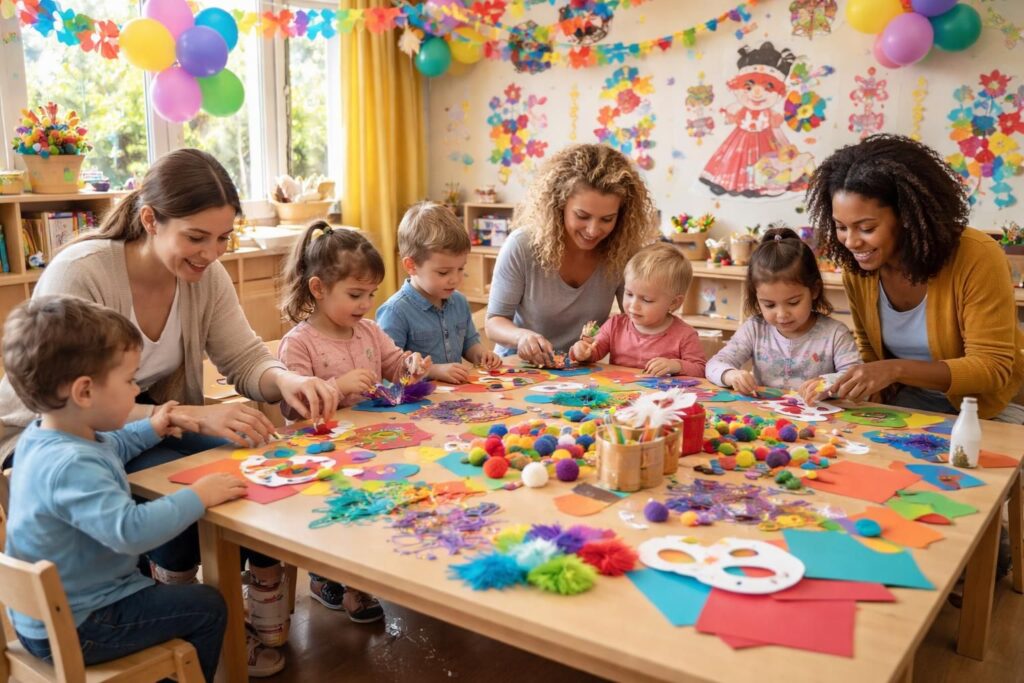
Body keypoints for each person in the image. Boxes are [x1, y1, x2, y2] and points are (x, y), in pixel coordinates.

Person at [0, 148, 339, 675]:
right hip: (51, 432)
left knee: (247, 455)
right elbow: (61, 400)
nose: (212, 254)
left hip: (130, 424)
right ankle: (172, 605)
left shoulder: (207, 276)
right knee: (183, 481)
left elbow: (244, 357)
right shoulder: (83, 273)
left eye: (223, 238)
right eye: (197, 237)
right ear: (150, 220)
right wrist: (191, 417)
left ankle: (250, 599)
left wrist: (288, 381)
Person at [2, 296, 246, 682]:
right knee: (207, 606)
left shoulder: (47, 437)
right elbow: (132, 531)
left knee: (171, 592)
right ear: (84, 392)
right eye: (130, 380)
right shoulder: (72, 464)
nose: (136, 391)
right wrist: (199, 495)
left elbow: (112, 445)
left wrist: (153, 427)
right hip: (82, 625)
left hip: (49, 617)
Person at [805, 134, 1024, 422]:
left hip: (989, 408)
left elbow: (991, 368)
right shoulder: (859, 269)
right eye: (841, 227)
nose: (851, 242)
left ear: (907, 217)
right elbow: (870, 351)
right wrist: (851, 385)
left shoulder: (977, 256)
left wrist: (894, 370)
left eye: (866, 228)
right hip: (910, 403)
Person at [278, 222, 430, 622]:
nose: (365, 304)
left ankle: (361, 575)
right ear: (318, 288)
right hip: (322, 452)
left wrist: (411, 366)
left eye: (371, 294)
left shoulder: (369, 331)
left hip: (370, 442)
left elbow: (395, 364)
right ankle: (326, 576)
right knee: (337, 508)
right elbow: (293, 410)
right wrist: (337, 386)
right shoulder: (299, 342)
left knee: (377, 502)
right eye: (355, 294)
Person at [485, 143, 659, 364]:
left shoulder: (623, 252)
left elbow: (636, 320)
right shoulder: (521, 246)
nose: (593, 230)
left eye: (607, 219)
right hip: (518, 367)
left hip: (579, 369)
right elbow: (494, 322)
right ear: (560, 205)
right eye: (582, 216)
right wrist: (522, 337)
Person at [706, 227, 861, 396]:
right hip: (765, 412)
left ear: (814, 290)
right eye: (769, 305)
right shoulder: (755, 329)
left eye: (793, 302)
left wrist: (826, 385)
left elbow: (857, 378)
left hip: (817, 412)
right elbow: (714, 365)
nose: (782, 314)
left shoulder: (835, 334)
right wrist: (731, 375)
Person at [376, 201, 502, 384]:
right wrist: (434, 371)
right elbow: (388, 367)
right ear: (411, 266)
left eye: (461, 269)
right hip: (416, 398)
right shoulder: (395, 311)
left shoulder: (459, 302)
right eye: (443, 272)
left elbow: (469, 343)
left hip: (456, 396)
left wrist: (482, 354)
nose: (455, 279)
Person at [569, 242, 706, 376]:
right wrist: (582, 351)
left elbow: (700, 369)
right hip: (619, 389)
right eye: (629, 294)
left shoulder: (685, 335)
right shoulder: (615, 325)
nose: (633, 305)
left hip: (661, 391)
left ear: (674, 303)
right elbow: (594, 351)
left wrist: (675, 366)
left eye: (646, 300)